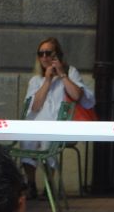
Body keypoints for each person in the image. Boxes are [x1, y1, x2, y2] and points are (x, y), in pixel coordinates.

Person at [22, 37, 95, 198]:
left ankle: (49, 185)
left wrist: (61, 74)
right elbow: (34, 106)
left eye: (48, 53)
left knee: (48, 142)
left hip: (60, 126)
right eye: (40, 54)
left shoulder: (70, 72)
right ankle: (31, 184)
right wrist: (47, 81)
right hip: (37, 125)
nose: (44, 58)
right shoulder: (36, 80)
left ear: (57, 55)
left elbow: (77, 95)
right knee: (26, 140)